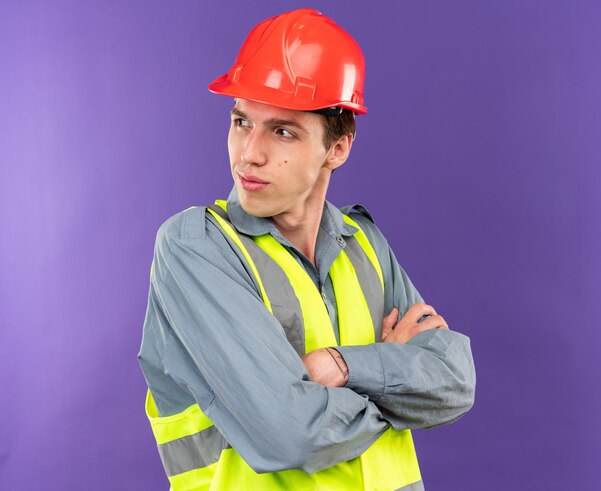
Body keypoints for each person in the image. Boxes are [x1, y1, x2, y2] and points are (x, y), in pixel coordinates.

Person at [138, 8, 475, 491]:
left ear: (337, 149)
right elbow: (288, 435)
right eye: (240, 121)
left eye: (282, 131)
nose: (249, 153)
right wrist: (396, 382)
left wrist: (343, 364)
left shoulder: (363, 242)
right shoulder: (197, 247)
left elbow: (455, 382)